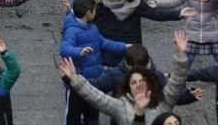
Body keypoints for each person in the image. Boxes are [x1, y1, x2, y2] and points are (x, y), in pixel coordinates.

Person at [59, 30, 190, 124]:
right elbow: (96, 96)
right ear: (128, 86)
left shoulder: (162, 100)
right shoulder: (121, 108)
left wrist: (181, 54)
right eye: (134, 82)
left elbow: (177, 82)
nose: (139, 84)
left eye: (142, 81)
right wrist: (74, 79)